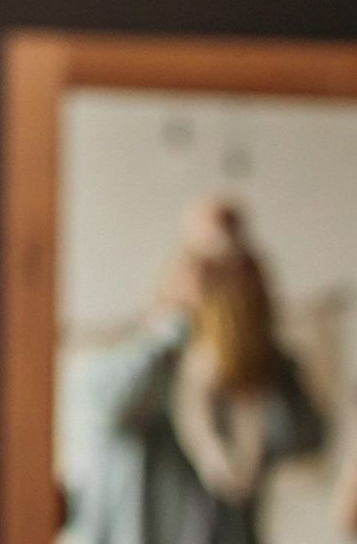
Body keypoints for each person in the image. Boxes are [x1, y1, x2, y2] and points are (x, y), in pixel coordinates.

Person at [68, 198, 326, 544]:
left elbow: (306, 437)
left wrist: (257, 332)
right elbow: (105, 405)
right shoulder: (143, 356)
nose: (217, 278)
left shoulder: (253, 378)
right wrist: (176, 322)